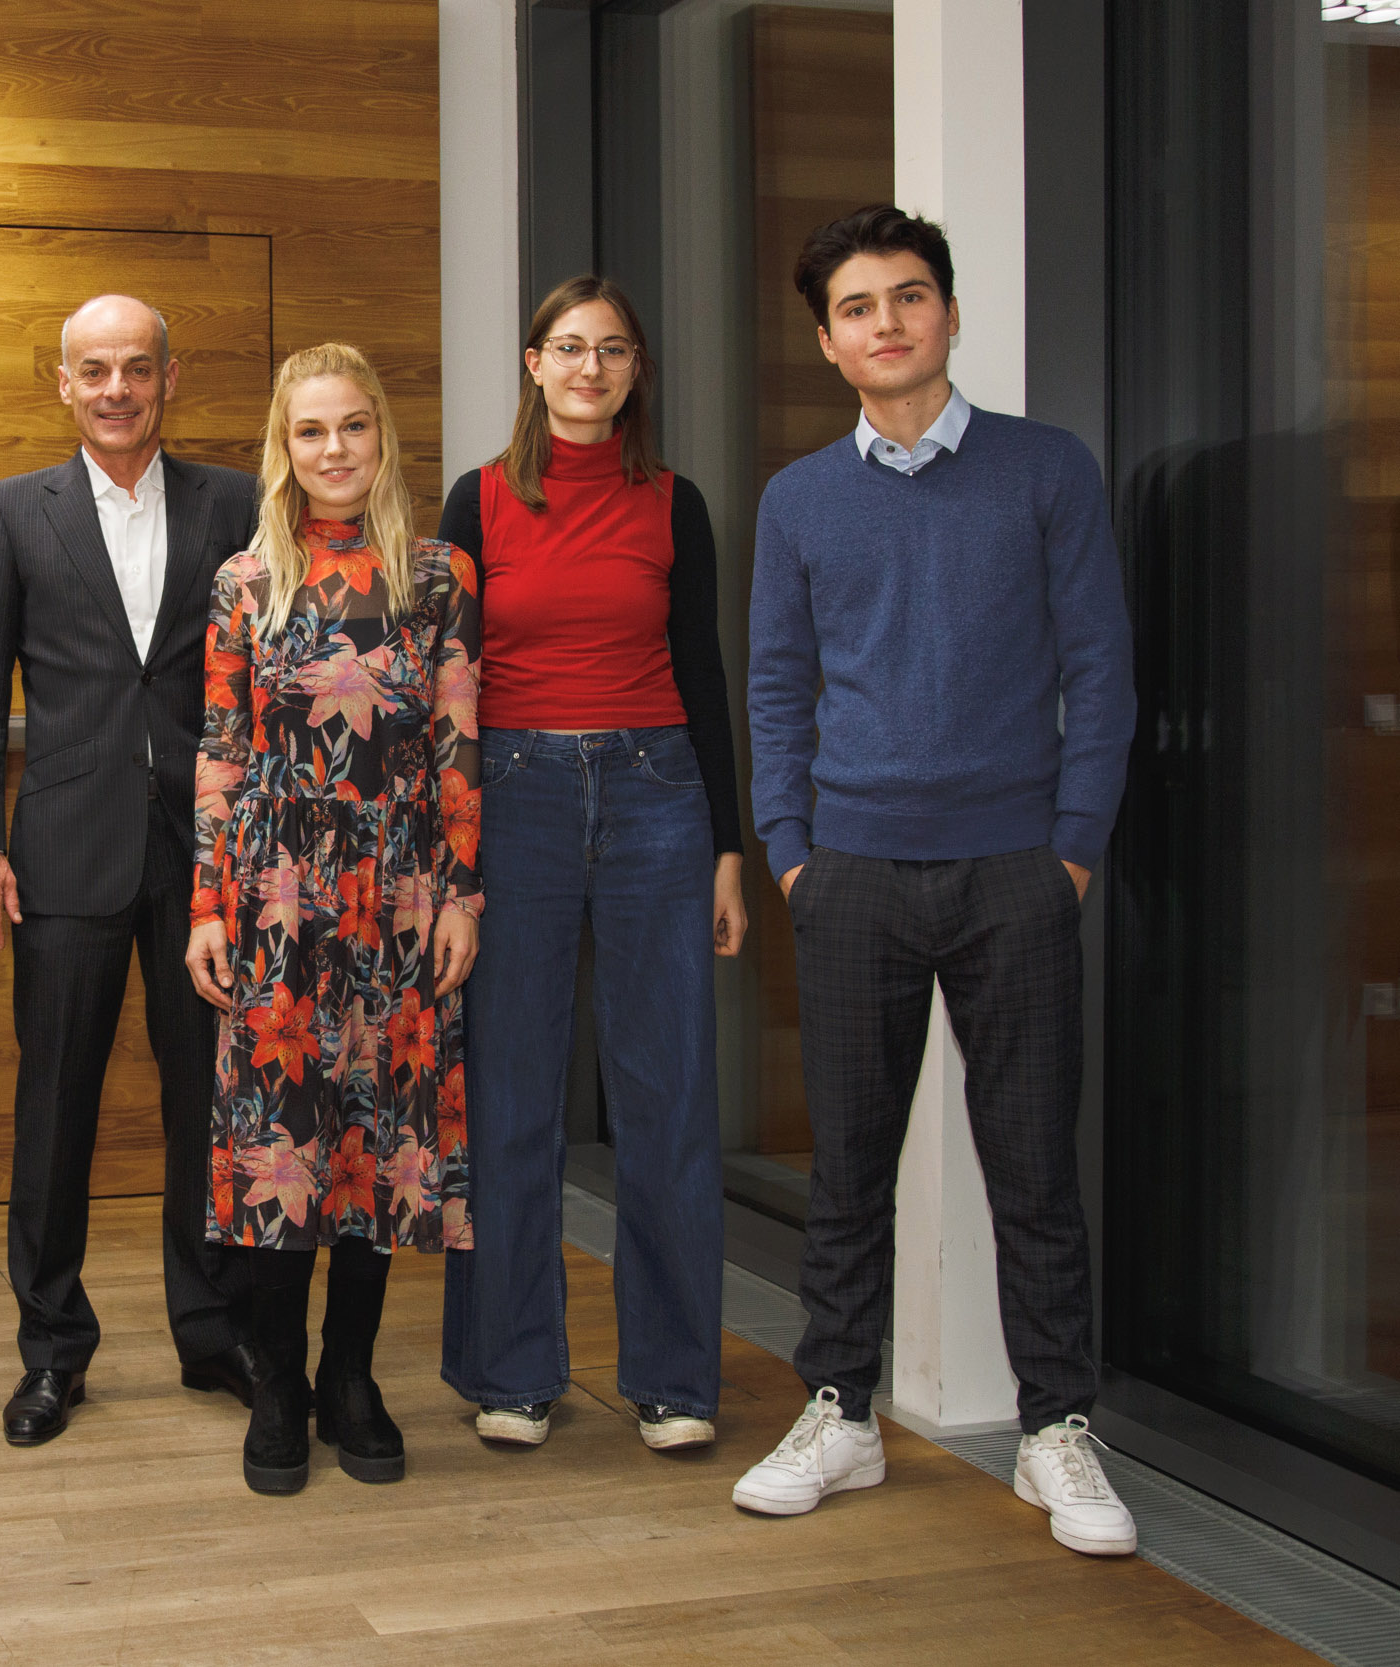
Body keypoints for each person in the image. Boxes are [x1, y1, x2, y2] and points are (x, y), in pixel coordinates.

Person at [736, 205, 1138, 1556]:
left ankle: (1056, 1428)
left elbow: (1102, 669)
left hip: (1018, 869)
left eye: (911, 296)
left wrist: (1071, 845)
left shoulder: (1045, 471)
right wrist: (791, 848)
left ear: (951, 316)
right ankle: (842, 1412)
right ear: (830, 342)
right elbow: (779, 686)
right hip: (850, 875)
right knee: (846, 1165)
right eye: (859, 306)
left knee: (1032, 1168)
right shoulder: (798, 499)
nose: (889, 321)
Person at [433, 276, 745, 1454]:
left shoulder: (674, 503)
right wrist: (451, 853)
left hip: (658, 794)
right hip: (514, 796)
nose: (589, 367)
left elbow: (703, 679)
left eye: (612, 349)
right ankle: (511, 1370)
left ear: (633, 370)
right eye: (569, 346)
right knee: (508, 1092)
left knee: (665, 1090)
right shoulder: (477, 501)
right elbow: (448, 690)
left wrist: (725, 843)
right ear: (531, 362)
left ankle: (674, 1377)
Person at [0, 295, 261, 1447]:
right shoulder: (8, 513)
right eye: (95, 370)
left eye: (137, 367)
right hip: (63, 855)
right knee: (55, 1110)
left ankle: (212, 1329)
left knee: (207, 1108)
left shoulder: (237, 501)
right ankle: (51, 1348)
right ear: (62, 384)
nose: (116, 387)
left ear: (170, 378)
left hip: (206, 859)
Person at [185, 342, 482, 1495]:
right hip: (273, 896)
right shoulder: (246, 583)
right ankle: (279, 1385)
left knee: (373, 1145)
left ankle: (350, 1374)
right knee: (282, 1142)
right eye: (311, 432)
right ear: (284, 446)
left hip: (399, 892)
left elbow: (459, 744)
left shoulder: (437, 575)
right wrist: (209, 905)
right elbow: (219, 750)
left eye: (353, 426)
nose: (334, 450)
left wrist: (461, 892)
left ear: (382, 435)